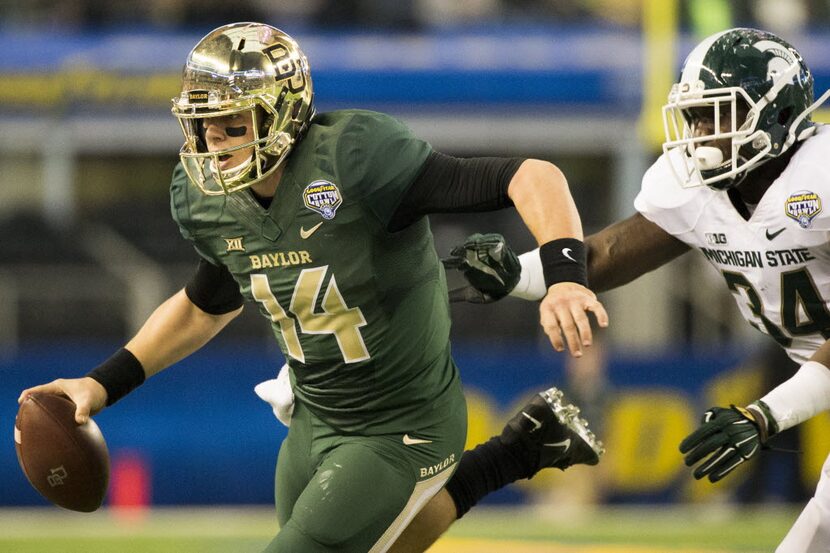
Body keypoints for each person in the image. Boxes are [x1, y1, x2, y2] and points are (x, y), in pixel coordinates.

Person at [17, 23, 608, 553]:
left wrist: (564, 278)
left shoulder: (354, 160)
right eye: (202, 125)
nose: (214, 142)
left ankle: (511, 455)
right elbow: (206, 303)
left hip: (401, 424)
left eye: (231, 124)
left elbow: (532, 175)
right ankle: (519, 451)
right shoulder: (206, 199)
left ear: (283, 114)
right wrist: (100, 383)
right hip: (313, 417)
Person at [430, 26, 830, 553]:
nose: (703, 133)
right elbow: (609, 254)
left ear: (776, 113)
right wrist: (519, 275)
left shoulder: (820, 175)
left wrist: (766, 414)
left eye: (721, 114)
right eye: (697, 115)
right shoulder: (697, 188)